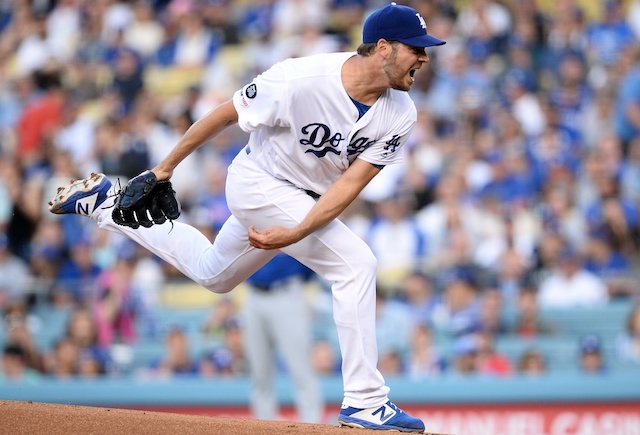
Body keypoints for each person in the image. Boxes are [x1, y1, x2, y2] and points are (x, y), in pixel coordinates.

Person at [48, 3, 445, 432]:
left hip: (301, 199)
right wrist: (164, 169)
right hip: (258, 182)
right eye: (415, 48)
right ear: (383, 48)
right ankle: (366, 402)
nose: (424, 57)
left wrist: (296, 231)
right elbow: (226, 113)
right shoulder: (300, 78)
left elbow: (348, 186)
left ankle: (106, 204)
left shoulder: (401, 113)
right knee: (357, 263)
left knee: (214, 275)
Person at [242, 253, 324, 423]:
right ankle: (262, 426)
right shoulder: (251, 225)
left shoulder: (295, 224)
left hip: (287, 292)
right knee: (259, 372)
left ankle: (312, 426)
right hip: (253, 295)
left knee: (301, 370)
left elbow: (312, 255)